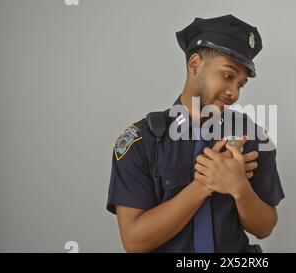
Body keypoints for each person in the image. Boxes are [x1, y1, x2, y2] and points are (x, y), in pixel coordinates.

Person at [106, 14, 285, 253]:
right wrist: (204, 184)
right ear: (195, 64)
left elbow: (265, 227)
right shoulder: (141, 140)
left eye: (240, 84)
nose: (234, 93)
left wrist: (239, 187)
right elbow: (135, 242)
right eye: (228, 76)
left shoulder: (250, 136)